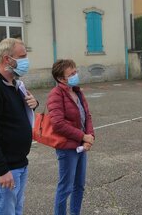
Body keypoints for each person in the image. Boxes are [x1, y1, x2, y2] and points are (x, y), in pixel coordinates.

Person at [0, 38, 38, 215]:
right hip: (5, 167)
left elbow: (15, 114)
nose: (26, 61)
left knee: (16, 210)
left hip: (19, 163)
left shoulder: (14, 84)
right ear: (6, 59)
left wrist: (34, 103)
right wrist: (1, 170)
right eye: (22, 56)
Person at [47, 59, 95, 215]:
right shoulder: (56, 94)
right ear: (61, 79)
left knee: (79, 185)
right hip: (67, 148)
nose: (76, 75)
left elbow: (87, 115)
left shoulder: (77, 91)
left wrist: (90, 137)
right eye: (72, 73)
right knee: (65, 187)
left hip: (81, 146)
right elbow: (58, 124)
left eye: (76, 72)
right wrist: (83, 136)